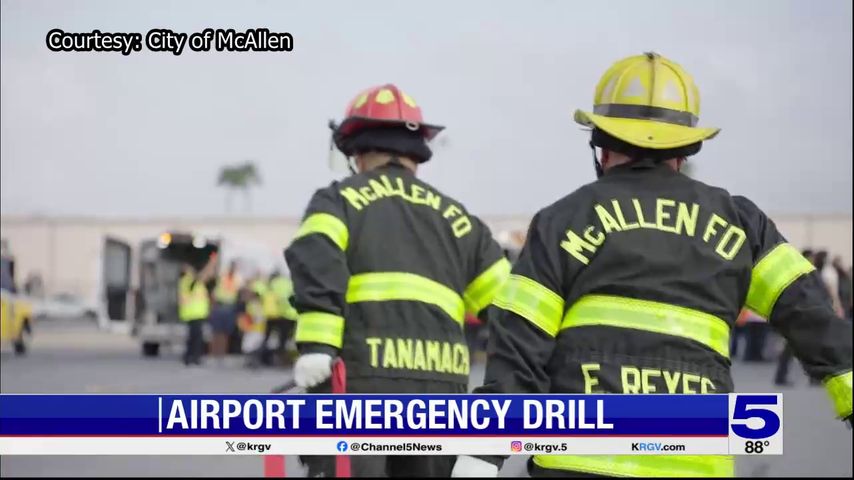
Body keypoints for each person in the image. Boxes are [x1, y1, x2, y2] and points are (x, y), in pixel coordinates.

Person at [452, 52, 853, 478]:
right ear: (684, 148)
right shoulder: (742, 224)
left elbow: (519, 349)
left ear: (601, 145)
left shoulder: (562, 221)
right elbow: (813, 318)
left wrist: (479, 460)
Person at [285, 83, 510, 478]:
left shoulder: (337, 201)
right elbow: (511, 311)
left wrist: (316, 346)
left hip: (357, 390)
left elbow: (316, 261)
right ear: (416, 153)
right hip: (442, 398)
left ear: (356, 151)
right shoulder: (461, 222)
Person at [178, 253, 216, 366]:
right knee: (196, 338)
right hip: (193, 314)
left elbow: (205, 276)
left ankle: (190, 357)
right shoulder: (189, 281)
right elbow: (202, 275)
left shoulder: (190, 282)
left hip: (195, 314)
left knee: (193, 338)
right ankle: (192, 357)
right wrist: (211, 263)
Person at [260, 270, 299, 366]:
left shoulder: (275, 283)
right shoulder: (290, 283)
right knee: (287, 340)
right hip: (294, 316)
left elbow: (274, 297)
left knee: (277, 339)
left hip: (281, 315)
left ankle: (277, 360)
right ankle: (284, 360)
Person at [209, 261, 242, 364]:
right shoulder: (222, 277)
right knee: (216, 333)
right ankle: (213, 354)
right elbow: (215, 293)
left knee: (225, 333)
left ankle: (221, 355)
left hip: (229, 307)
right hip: (220, 306)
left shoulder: (237, 279)